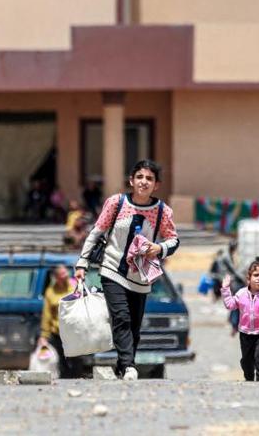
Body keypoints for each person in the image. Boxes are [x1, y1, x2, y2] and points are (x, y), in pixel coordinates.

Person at [75, 160, 179, 380]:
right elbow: (96, 233)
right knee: (121, 317)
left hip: (141, 277)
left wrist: (159, 248)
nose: (144, 182)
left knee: (133, 324)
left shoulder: (162, 211)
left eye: (149, 178)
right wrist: (82, 263)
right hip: (112, 269)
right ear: (131, 180)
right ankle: (130, 365)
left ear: (156, 185)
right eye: (139, 177)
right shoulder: (116, 203)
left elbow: (173, 240)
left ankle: (123, 367)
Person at [221, 257, 259, 382]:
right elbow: (230, 305)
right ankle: (248, 378)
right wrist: (226, 289)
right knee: (247, 360)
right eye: (256, 275)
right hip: (245, 333)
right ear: (248, 278)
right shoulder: (241, 293)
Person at [39, 265, 82, 378]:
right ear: (56, 277)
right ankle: (64, 383)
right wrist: (44, 335)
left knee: (77, 360)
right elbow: (47, 315)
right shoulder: (50, 292)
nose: (66, 275)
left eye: (66, 273)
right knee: (61, 361)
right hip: (58, 333)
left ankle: (77, 379)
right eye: (62, 274)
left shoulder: (74, 286)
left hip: (75, 331)